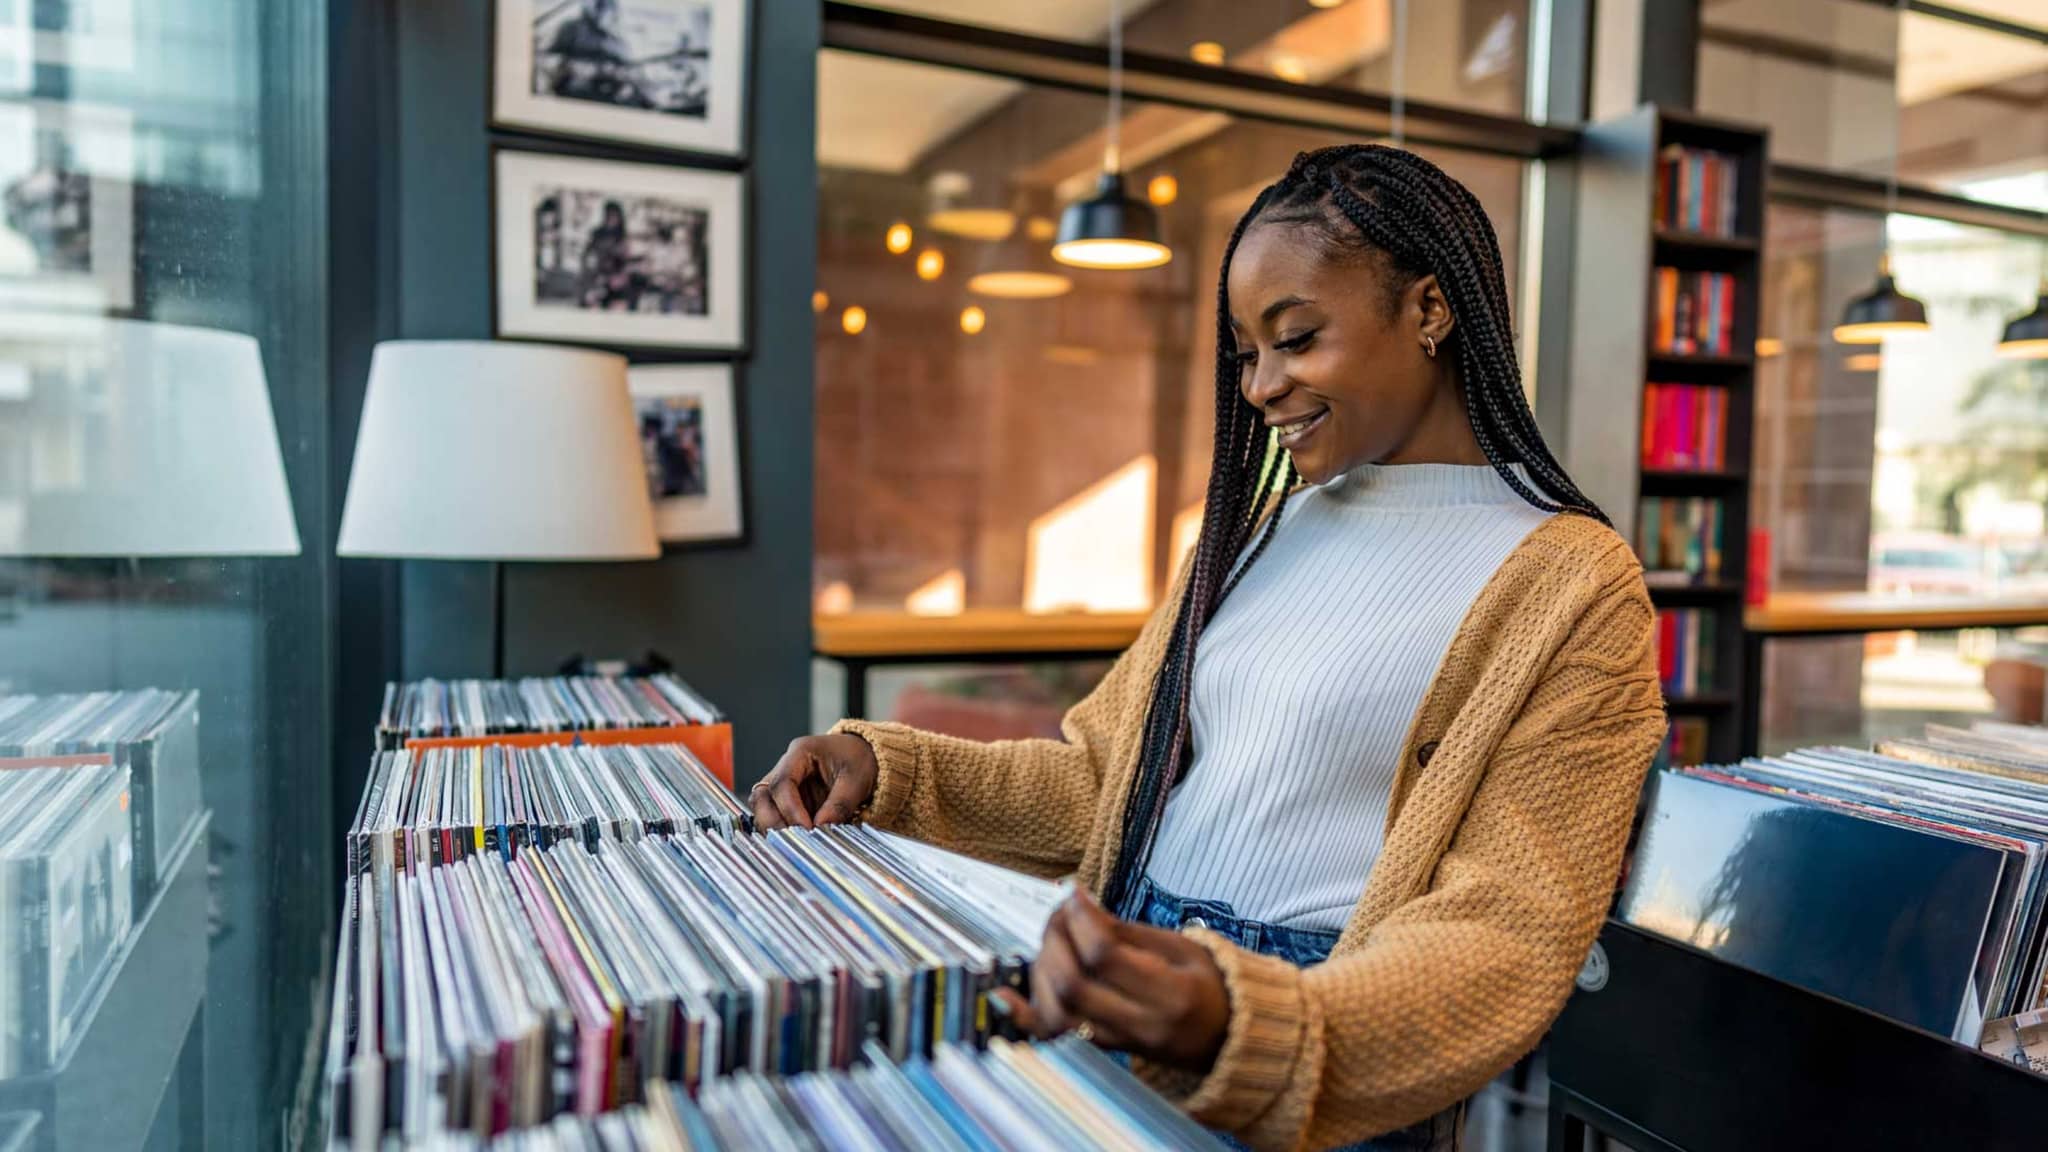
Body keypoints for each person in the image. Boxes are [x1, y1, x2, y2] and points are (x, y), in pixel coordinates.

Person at [755, 144, 1665, 1152]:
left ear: (1429, 310)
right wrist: (887, 770)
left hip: (1321, 1034)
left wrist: (1245, 1019)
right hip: (1125, 967)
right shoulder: (1253, 536)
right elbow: (1102, 783)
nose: (1261, 386)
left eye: (1296, 339)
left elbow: (1506, 928)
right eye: (1244, 353)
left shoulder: (1575, 585)